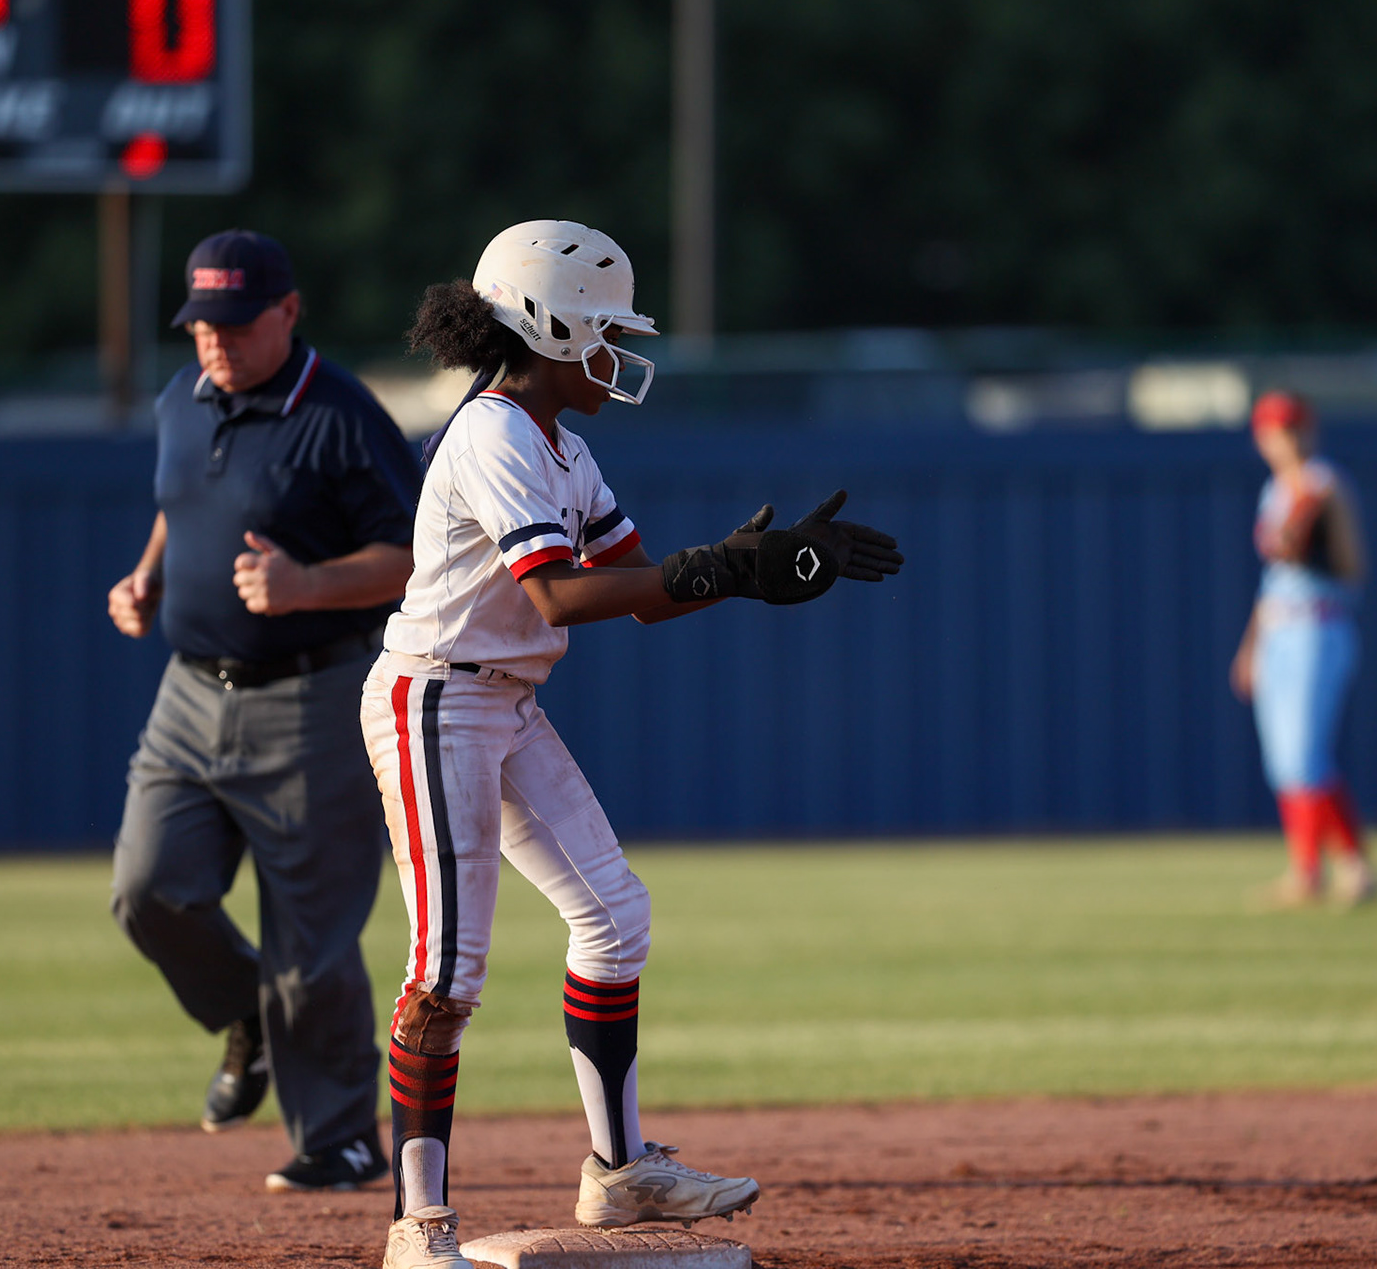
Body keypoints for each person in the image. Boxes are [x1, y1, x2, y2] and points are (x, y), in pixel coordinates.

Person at [358, 219, 905, 1269]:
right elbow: (560, 591)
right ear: (546, 324)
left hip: (501, 699)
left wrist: (750, 568)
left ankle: (617, 1170)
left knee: (613, 914)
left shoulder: (560, 438)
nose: (614, 349)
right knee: (447, 970)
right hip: (435, 699)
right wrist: (721, 567)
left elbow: (641, 590)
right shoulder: (495, 432)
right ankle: (417, 1223)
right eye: (602, 328)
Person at [106, 229, 423, 1193]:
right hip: (189, 694)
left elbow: (412, 557)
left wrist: (306, 582)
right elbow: (178, 497)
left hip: (313, 697)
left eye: (237, 322)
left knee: (312, 945)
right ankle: (246, 1016)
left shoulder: (340, 415)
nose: (217, 340)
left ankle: (340, 1139)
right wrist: (151, 574)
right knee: (148, 889)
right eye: (202, 321)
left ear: (287, 312)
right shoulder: (181, 398)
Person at [1230, 390, 1377, 909]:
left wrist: (1313, 546)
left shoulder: (1326, 485)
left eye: (1293, 427)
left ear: (1309, 431)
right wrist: (1251, 646)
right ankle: (1329, 871)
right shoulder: (1273, 490)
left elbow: (1353, 568)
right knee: (1284, 762)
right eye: (1275, 429)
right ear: (1261, 438)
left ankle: (1333, 868)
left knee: (1305, 754)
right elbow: (1271, 582)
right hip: (1279, 630)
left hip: (1320, 623)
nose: (1285, 437)